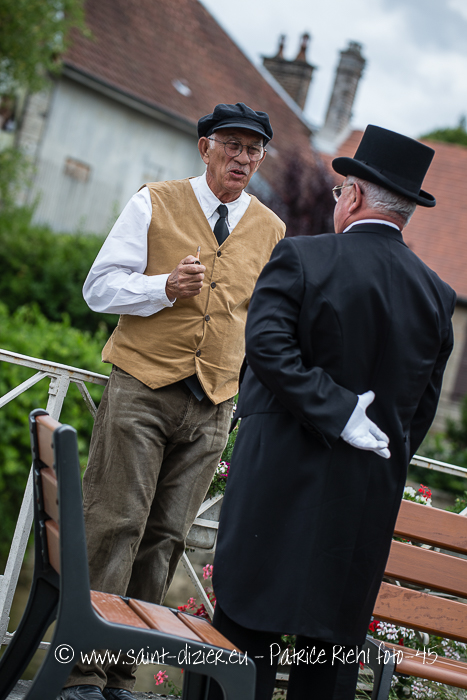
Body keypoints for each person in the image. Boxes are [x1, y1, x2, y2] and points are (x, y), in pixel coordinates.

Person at [210, 125, 456, 700]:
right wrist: (371, 442)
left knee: (243, 640)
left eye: (342, 189)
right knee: (329, 654)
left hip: (275, 487)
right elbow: (419, 411)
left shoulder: (301, 256)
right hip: (362, 500)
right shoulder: (437, 295)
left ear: (354, 195)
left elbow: (266, 348)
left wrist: (340, 413)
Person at [61, 103, 285, 700]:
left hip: (214, 403)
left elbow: (266, 320)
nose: (242, 158)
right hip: (142, 386)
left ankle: (119, 676)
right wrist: (163, 287)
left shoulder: (271, 229)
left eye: (253, 149)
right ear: (205, 147)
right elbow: (98, 288)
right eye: (232, 144)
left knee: (165, 539)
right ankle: (80, 673)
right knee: (116, 524)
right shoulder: (154, 202)